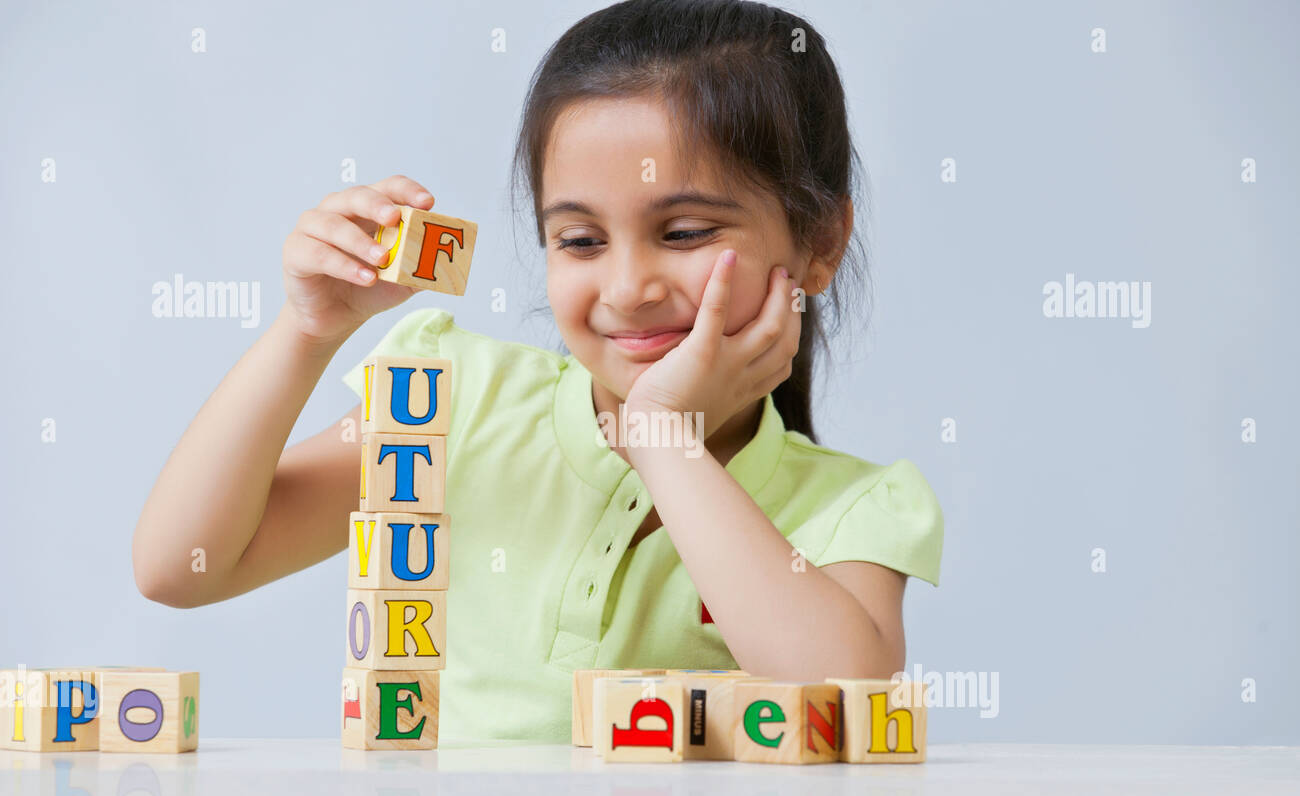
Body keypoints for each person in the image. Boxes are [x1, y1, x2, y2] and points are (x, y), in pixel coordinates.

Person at [133, 0, 943, 744]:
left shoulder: (854, 510)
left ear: (820, 243)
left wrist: (665, 440)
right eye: (581, 241)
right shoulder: (461, 399)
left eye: (687, 231)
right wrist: (306, 333)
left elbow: (840, 705)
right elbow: (181, 567)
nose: (628, 289)